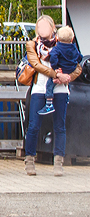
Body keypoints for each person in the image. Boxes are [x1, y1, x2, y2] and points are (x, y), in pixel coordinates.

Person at [23, 16, 79, 176]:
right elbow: (37, 65)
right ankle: (29, 160)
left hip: (60, 90)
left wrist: (68, 77)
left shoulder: (65, 42)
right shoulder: (33, 45)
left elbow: (77, 66)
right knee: (33, 126)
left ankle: (58, 162)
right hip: (39, 88)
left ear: (52, 27)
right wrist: (57, 74)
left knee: (60, 126)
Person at [39, 26, 81, 116]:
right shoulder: (74, 48)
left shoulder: (57, 48)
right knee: (67, 83)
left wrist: (55, 68)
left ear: (57, 38)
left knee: (50, 85)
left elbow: (53, 58)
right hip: (70, 69)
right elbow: (79, 57)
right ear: (72, 38)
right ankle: (68, 96)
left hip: (60, 69)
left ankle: (49, 104)